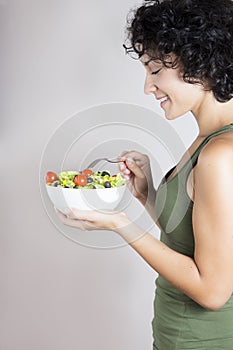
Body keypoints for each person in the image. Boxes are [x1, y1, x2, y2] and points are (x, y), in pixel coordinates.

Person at [56, 0, 233, 348]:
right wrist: (147, 194)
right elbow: (189, 238)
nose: (147, 87)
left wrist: (121, 224)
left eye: (154, 70)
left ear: (201, 60)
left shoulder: (220, 154)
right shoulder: (206, 140)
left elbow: (213, 291)